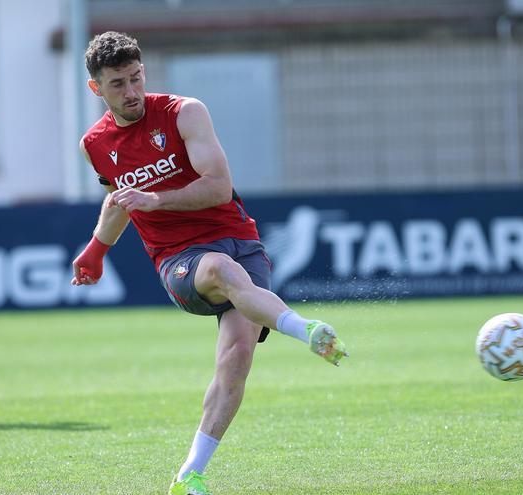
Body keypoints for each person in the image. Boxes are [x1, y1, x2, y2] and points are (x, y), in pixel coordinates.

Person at [71, 31, 347, 495]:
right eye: (118, 84)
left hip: (242, 242)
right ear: (96, 88)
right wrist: (97, 250)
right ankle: (307, 330)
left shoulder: (184, 112)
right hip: (179, 259)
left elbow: (218, 187)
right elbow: (119, 201)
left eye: (136, 78)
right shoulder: (95, 144)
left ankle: (190, 473)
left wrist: (153, 198)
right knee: (218, 269)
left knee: (236, 359)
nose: (132, 91)